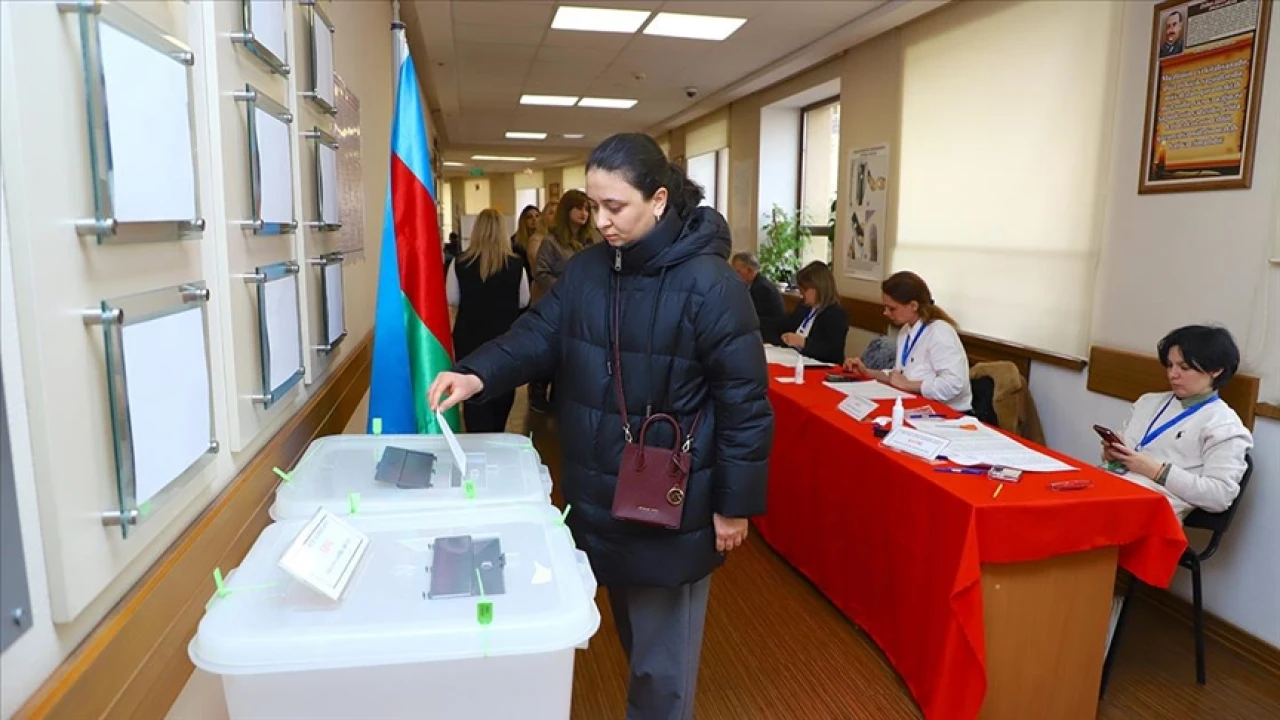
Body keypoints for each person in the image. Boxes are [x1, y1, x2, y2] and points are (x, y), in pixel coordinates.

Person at [428, 132, 772, 720]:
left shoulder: (711, 286)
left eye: (617, 207)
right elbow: (537, 334)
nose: (602, 222)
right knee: (634, 641)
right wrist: (476, 373)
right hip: (604, 492)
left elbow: (744, 404)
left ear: (659, 201)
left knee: (662, 668)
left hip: (676, 500)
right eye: (594, 206)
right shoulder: (590, 271)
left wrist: (734, 507)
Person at [1101, 325, 1253, 520]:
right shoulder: (1148, 402)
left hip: (1147, 513)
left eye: (1184, 367)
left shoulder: (1224, 426)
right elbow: (1126, 456)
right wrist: (1113, 454)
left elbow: (1219, 496)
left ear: (1216, 370)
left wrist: (1157, 471)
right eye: (1170, 365)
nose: (1173, 374)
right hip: (1112, 489)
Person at [445, 208, 529, 432]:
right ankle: (496, 439)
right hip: (505, 344)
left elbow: (451, 298)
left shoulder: (459, 264)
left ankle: (476, 450)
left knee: (473, 404)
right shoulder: (516, 265)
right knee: (501, 402)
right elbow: (524, 301)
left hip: (469, 342)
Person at [845, 270, 972, 411]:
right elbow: (899, 376)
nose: (886, 313)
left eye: (892, 308)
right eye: (885, 307)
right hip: (917, 406)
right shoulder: (905, 330)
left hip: (949, 413)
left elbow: (954, 384)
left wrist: (909, 385)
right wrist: (867, 372)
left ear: (913, 306)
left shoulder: (940, 332)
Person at [777, 261, 848, 365]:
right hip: (795, 359)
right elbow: (786, 326)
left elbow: (832, 351)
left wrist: (803, 342)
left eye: (804, 290)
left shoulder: (835, 314)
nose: (801, 294)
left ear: (818, 288)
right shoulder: (804, 307)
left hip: (821, 367)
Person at [534, 189, 592, 297]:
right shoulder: (551, 241)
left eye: (587, 209)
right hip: (561, 300)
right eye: (579, 208)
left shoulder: (589, 241)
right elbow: (541, 274)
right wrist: (565, 287)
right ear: (567, 210)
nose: (584, 213)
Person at [731, 250, 786, 345]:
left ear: (750, 271)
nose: (734, 276)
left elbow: (752, 317)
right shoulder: (755, 284)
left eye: (738, 272)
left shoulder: (762, 288)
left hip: (769, 337)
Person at [511, 204, 540, 275]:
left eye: (537, 216)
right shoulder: (515, 242)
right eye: (529, 217)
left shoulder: (545, 239)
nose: (534, 219)